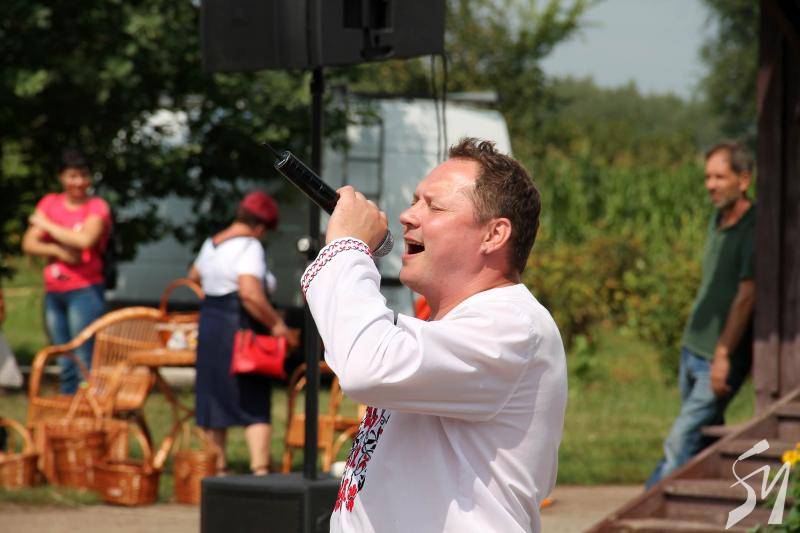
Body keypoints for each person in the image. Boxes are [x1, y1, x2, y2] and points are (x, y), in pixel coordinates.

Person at [302, 138, 567, 532]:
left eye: (434, 206)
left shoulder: (511, 324)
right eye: (415, 201)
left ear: (494, 235)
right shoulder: (459, 327)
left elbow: (367, 367)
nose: (407, 216)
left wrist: (347, 248)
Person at [646, 140, 756, 489]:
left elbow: (747, 296)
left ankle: (643, 511)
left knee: (679, 442)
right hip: (692, 347)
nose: (710, 185)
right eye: (708, 177)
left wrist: (723, 356)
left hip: (718, 358)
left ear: (743, 180)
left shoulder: (755, 227)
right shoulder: (717, 219)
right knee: (702, 441)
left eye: (719, 177)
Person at [188, 191, 296, 476]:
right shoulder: (250, 246)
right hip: (240, 327)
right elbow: (250, 293)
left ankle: (218, 470)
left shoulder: (211, 244)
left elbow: (193, 277)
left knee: (214, 397)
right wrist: (277, 325)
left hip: (211, 325)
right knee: (253, 396)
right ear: (260, 227)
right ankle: (260, 469)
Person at [22, 149, 112, 394]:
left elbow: (85, 240)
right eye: (73, 176)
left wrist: (47, 225)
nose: (79, 182)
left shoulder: (96, 206)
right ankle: (68, 405)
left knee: (84, 355)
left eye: (84, 176)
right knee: (63, 356)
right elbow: (29, 243)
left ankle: (87, 405)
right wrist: (58, 250)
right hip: (55, 291)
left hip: (85, 290)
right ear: (62, 177)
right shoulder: (50, 202)